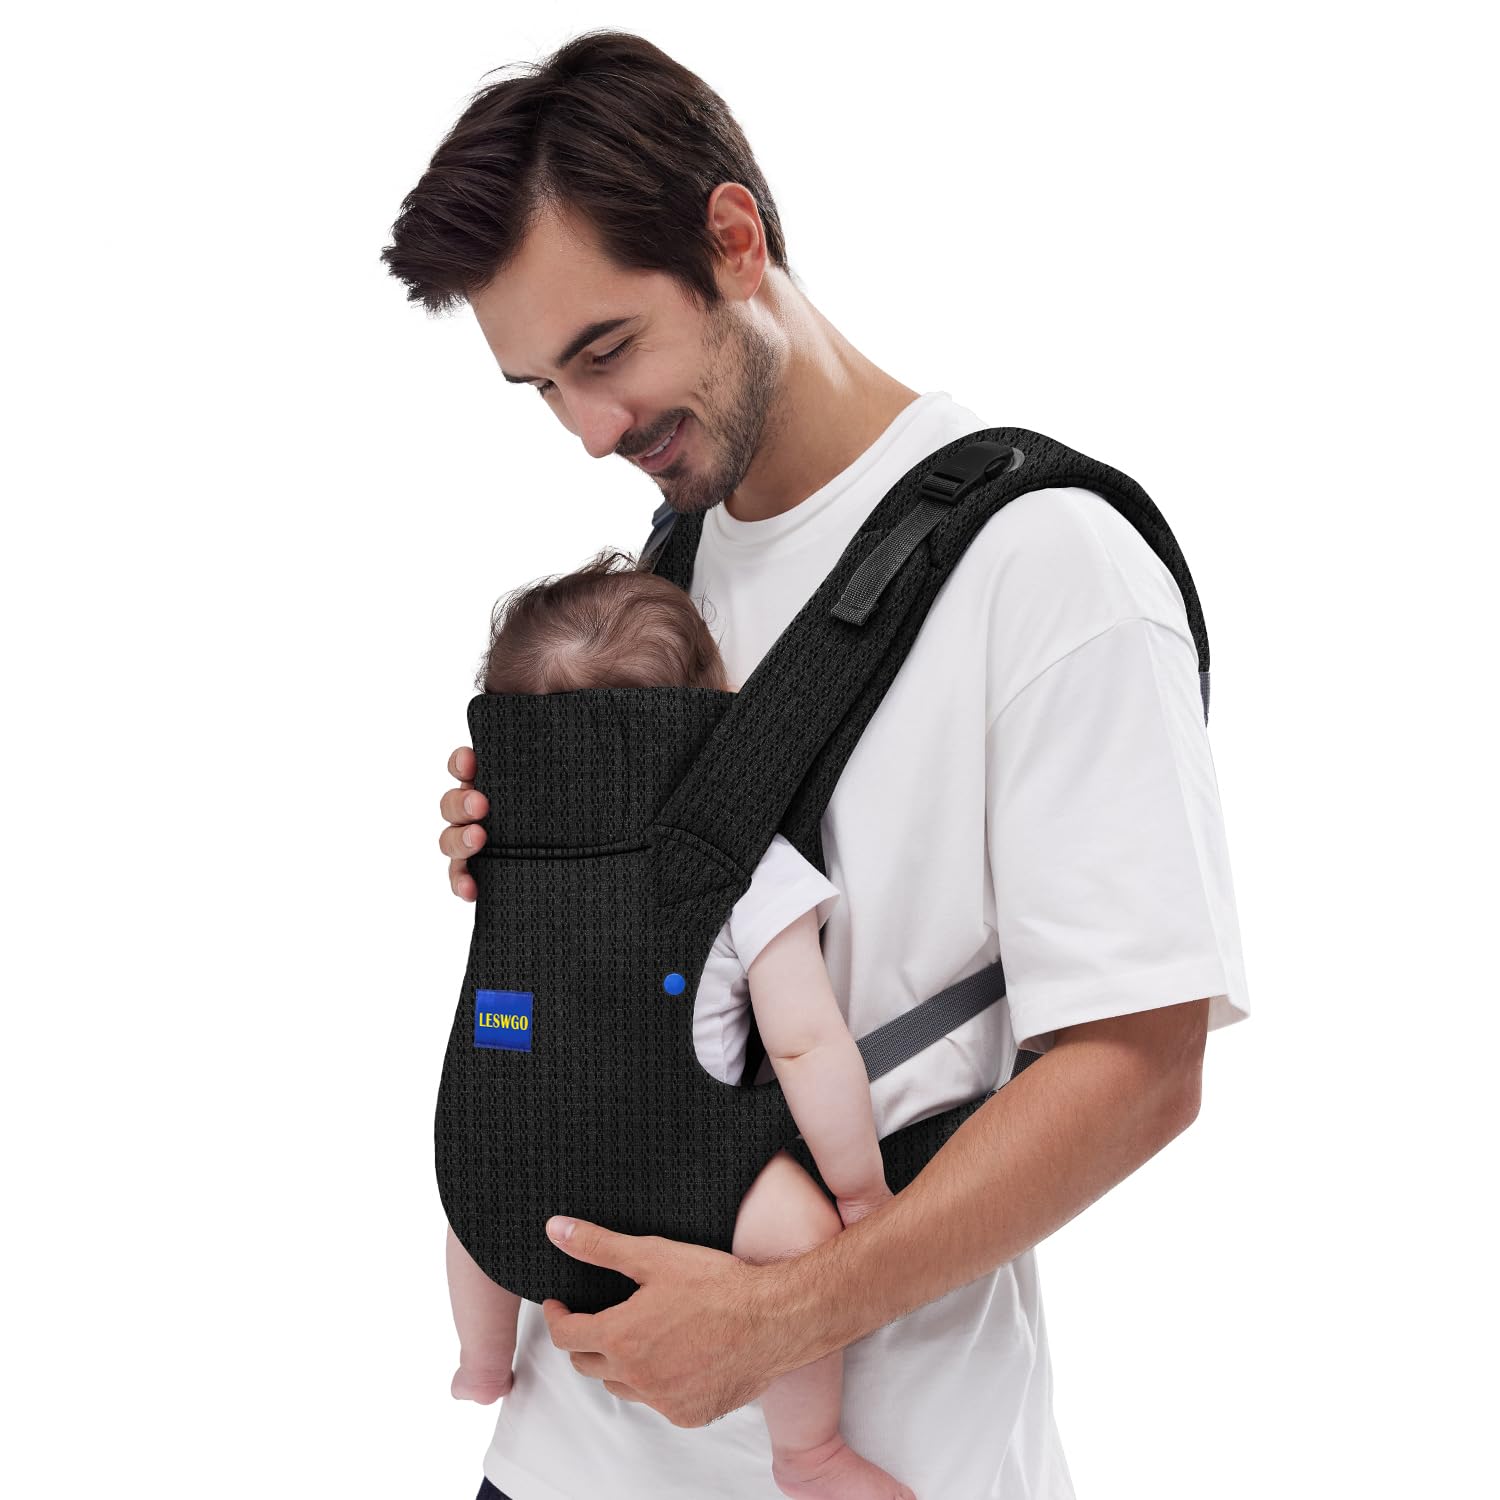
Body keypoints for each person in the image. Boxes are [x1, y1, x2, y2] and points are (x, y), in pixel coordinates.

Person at [383, 28, 1250, 1500]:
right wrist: (528, 863)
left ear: (734, 239)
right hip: (558, 1459)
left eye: (605, 352)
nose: (589, 431)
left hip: (887, 1461)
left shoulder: (1050, 569)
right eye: (540, 387)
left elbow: (1141, 1067)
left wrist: (781, 1319)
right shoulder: (662, 576)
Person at [447, 549, 915, 1500]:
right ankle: (809, 1453)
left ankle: (483, 1360)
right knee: (798, 1230)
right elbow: (804, 1044)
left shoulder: (500, 853)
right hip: (690, 1187)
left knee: (470, 1192)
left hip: (512, 1183)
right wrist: (864, 1200)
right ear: (716, 711)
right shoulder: (740, 865)